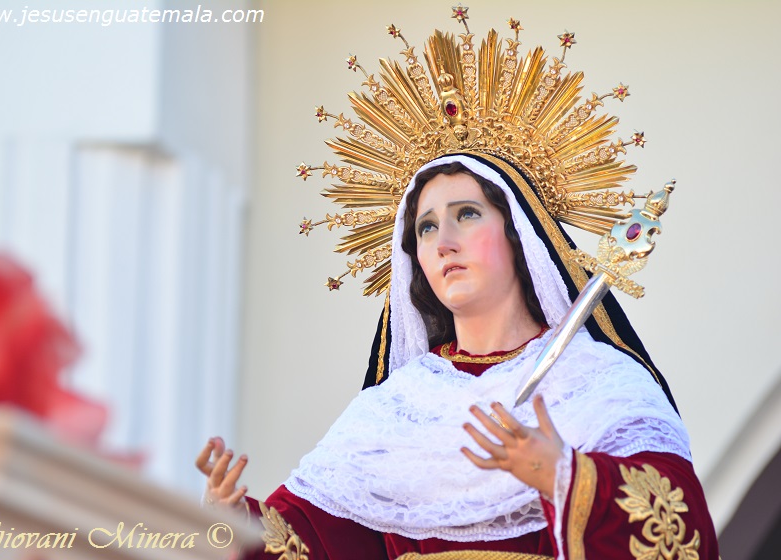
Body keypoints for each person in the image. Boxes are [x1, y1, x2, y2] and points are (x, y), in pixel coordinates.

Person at [196, 11, 719, 559]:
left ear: (520, 237)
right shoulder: (397, 410)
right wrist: (234, 525)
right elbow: (312, 542)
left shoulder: (600, 385)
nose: (443, 240)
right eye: (425, 226)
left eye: (466, 214)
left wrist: (565, 477)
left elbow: (674, 524)